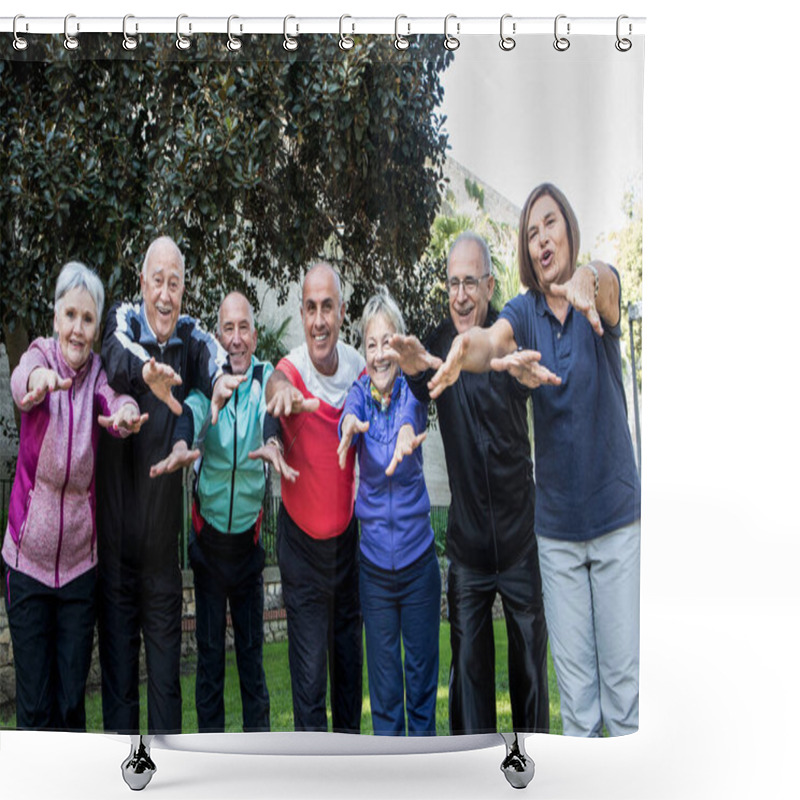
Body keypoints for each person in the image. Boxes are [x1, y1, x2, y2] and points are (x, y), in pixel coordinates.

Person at [426, 185, 641, 737]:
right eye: (531, 232)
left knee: (622, 698)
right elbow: (491, 344)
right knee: (579, 709)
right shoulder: (523, 313)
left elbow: (608, 287)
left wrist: (590, 279)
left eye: (550, 224)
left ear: (568, 227)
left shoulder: (598, 295)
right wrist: (463, 351)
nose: (542, 238)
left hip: (616, 525)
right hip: (558, 538)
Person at [387, 232, 549, 735]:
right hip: (469, 552)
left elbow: (537, 381)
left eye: (471, 283)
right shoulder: (439, 341)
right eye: (453, 283)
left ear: (489, 284)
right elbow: (418, 386)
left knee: (530, 678)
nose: (461, 295)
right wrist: (413, 372)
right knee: (469, 687)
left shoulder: (510, 337)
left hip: (521, 543)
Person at [95, 235, 241, 739]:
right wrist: (146, 371)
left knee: (165, 691)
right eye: (157, 280)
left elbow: (214, 357)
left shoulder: (189, 335)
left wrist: (220, 379)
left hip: (161, 560)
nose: (165, 293)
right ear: (142, 283)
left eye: (174, 283)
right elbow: (113, 351)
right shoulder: (123, 321)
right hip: (114, 558)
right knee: (118, 692)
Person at [2, 261, 146, 731]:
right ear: (56, 319)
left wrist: (126, 413)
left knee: (69, 705)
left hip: (80, 574)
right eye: (70, 316)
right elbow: (22, 378)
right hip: (27, 569)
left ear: (96, 325)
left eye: (87, 319)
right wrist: (36, 384)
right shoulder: (41, 356)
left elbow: (114, 400)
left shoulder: (98, 374)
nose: (78, 329)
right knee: (35, 706)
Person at [149, 291, 297, 733]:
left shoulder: (264, 376)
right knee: (210, 666)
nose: (236, 339)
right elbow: (190, 416)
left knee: (252, 666)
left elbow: (274, 403)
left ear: (254, 335)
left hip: (248, 551)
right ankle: (210, 763)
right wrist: (180, 444)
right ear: (219, 336)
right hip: (208, 549)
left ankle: (260, 763)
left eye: (243, 329)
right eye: (227, 329)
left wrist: (273, 442)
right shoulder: (205, 383)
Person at [265, 262, 365, 733]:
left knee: (349, 678)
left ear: (342, 312)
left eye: (328, 307)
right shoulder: (292, 366)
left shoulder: (358, 367)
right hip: (301, 552)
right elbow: (275, 386)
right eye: (311, 308)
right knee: (308, 686)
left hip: (348, 549)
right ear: (301, 314)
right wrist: (281, 394)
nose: (319, 319)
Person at [337, 289, 439, 736]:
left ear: (399, 344)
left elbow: (412, 416)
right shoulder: (358, 392)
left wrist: (403, 432)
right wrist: (347, 428)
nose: (380, 355)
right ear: (365, 349)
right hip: (375, 571)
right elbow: (350, 414)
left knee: (420, 692)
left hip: (419, 567)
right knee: (385, 699)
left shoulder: (411, 391)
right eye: (371, 344)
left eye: (387, 342)